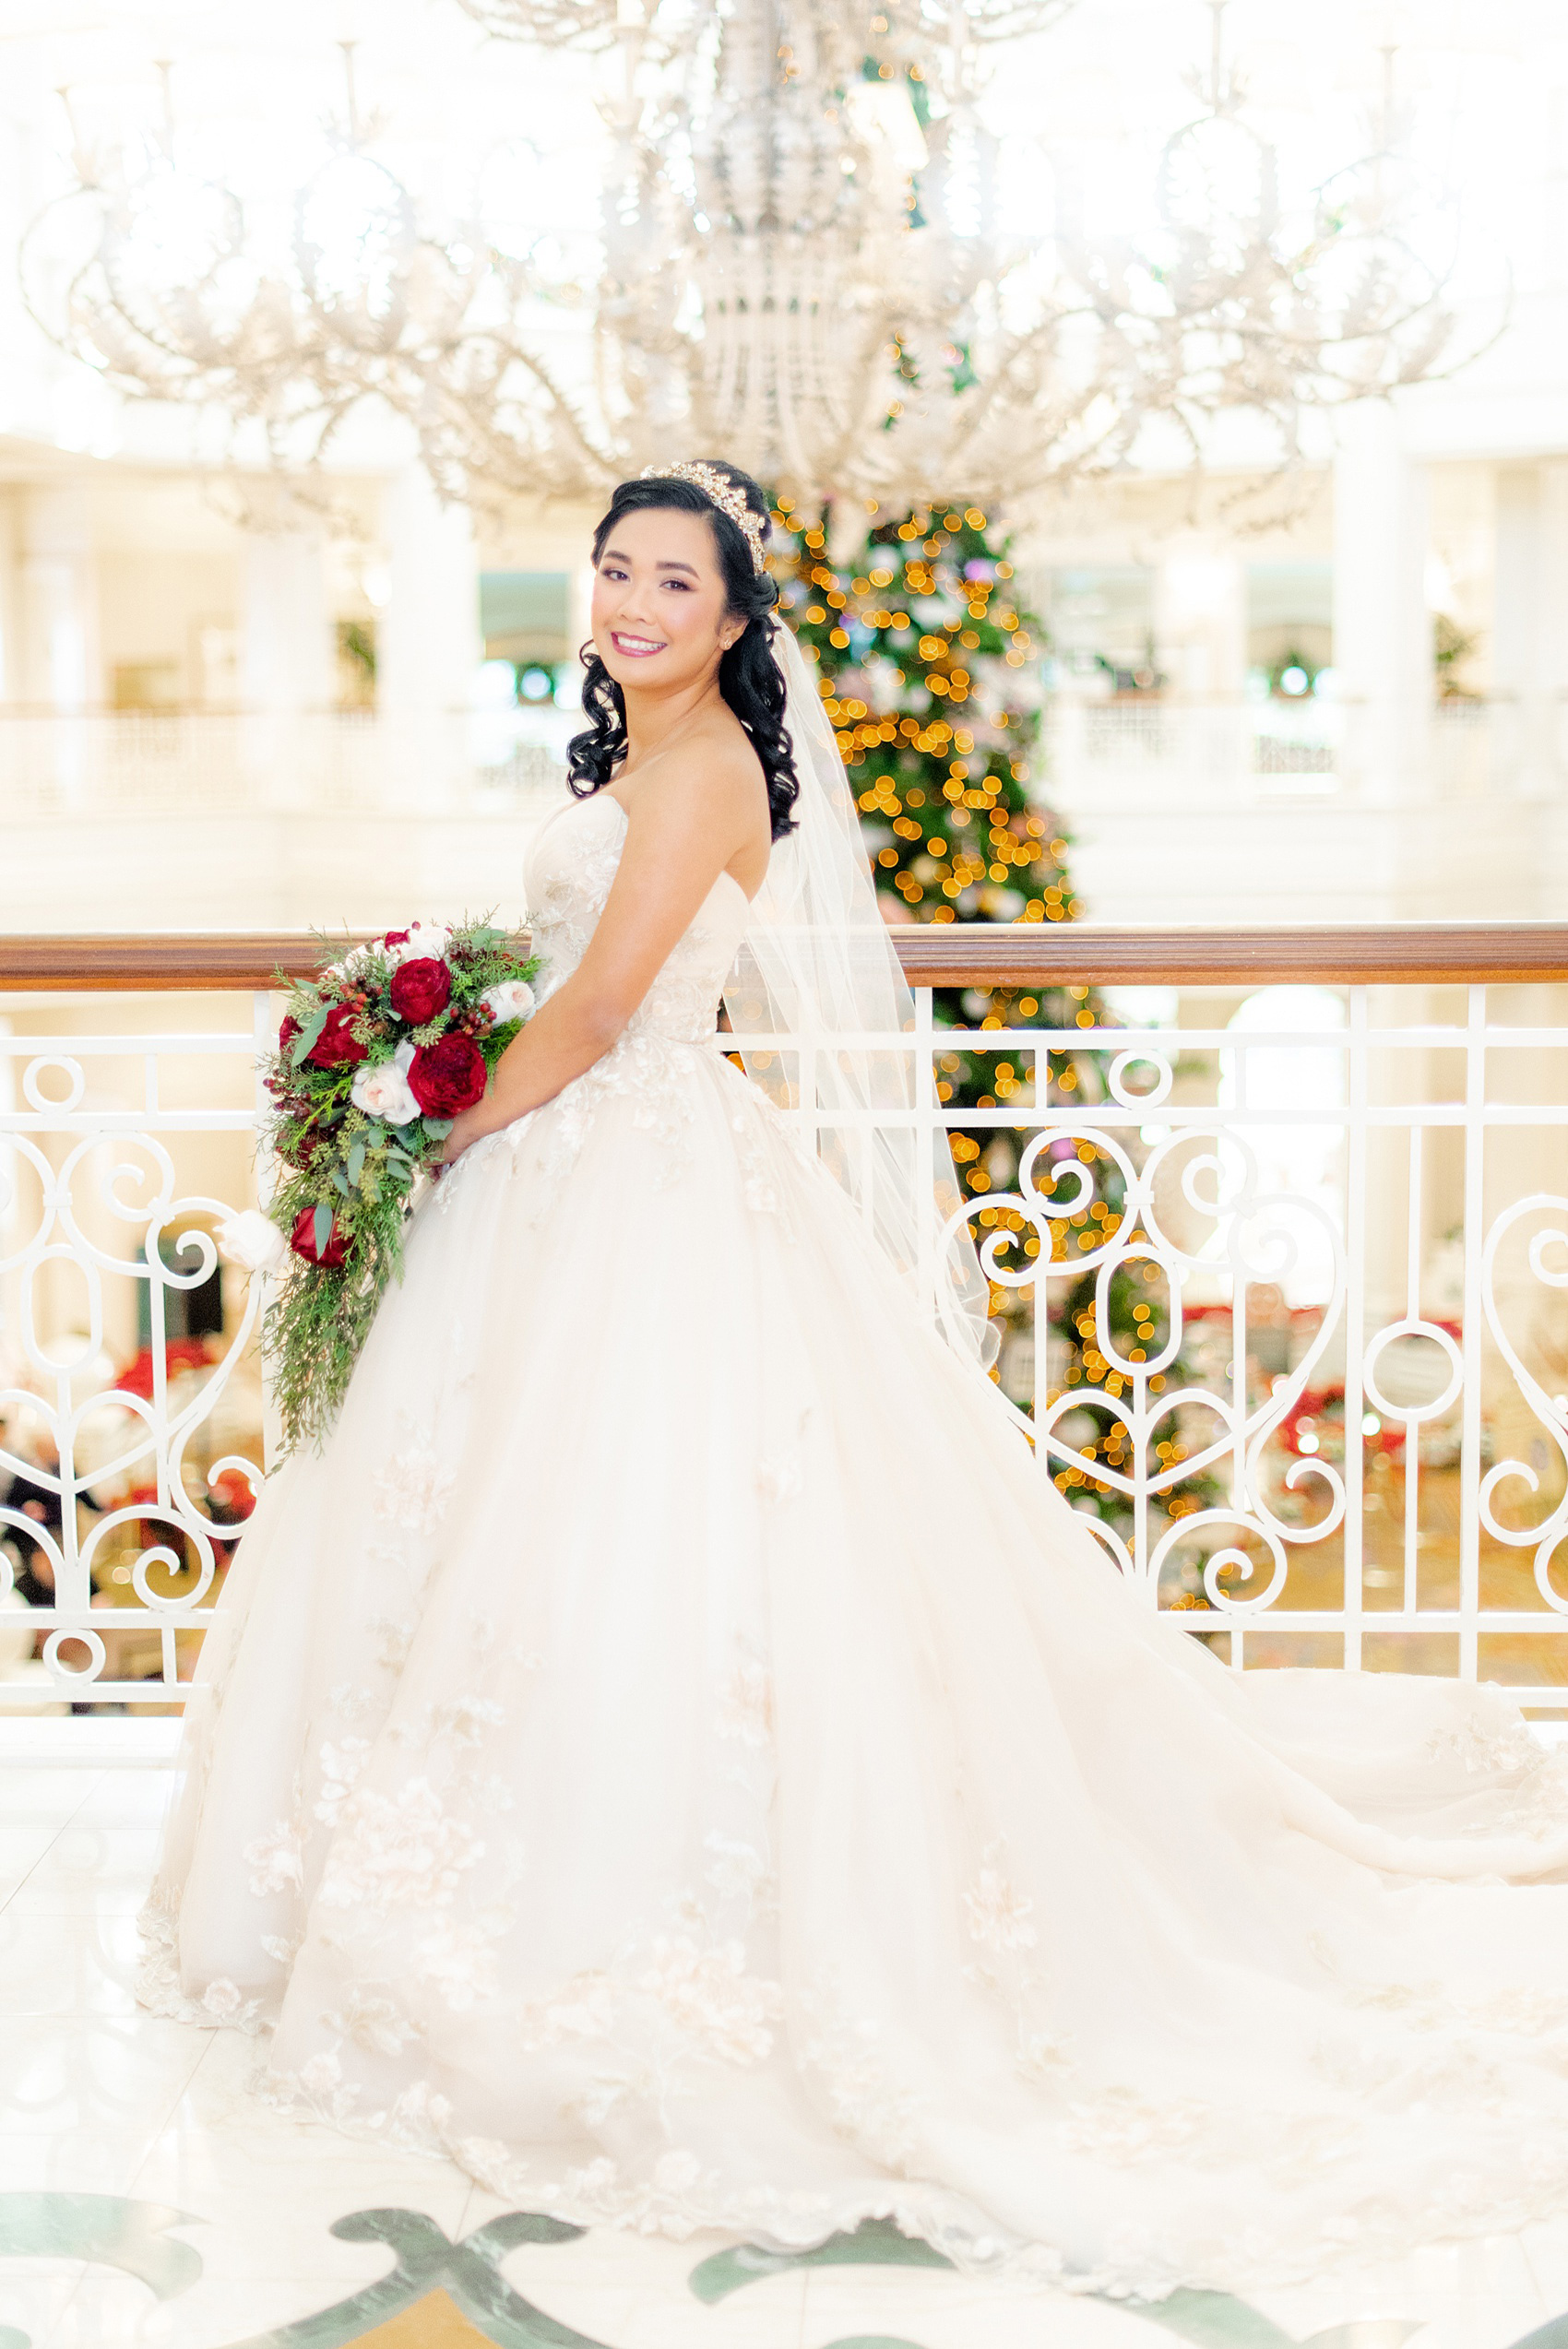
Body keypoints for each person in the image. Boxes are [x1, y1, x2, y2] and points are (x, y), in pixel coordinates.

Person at [141, 461, 1568, 2304]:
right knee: (503, 1533)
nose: (636, 600)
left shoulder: (711, 768)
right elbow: (557, 980)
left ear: (737, 620)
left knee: (659, 1533)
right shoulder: (616, 760)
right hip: (583, 1165)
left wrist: (427, 1132)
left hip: (627, 1165)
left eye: (676, 579)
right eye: (614, 570)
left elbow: (597, 1010)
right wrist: (433, 1045)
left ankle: (648, 1918)